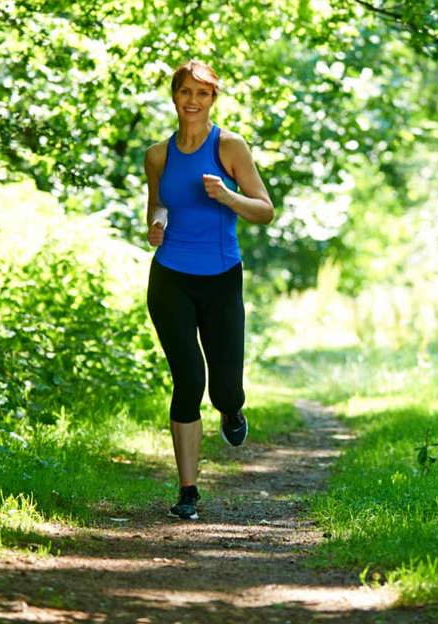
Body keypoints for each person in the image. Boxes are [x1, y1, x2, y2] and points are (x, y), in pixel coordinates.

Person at [143, 60, 275, 521]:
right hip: (171, 277)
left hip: (221, 277)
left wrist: (228, 196)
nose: (192, 101)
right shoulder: (158, 155)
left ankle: (232, 410)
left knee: (224, 387)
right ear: (174, 96)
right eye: (185, 92)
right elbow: (158, 205)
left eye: (202, 94)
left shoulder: (229, 147)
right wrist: (156, 226)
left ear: (212, 100)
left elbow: (264, 210)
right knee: (188, 379)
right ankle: (187, 492)